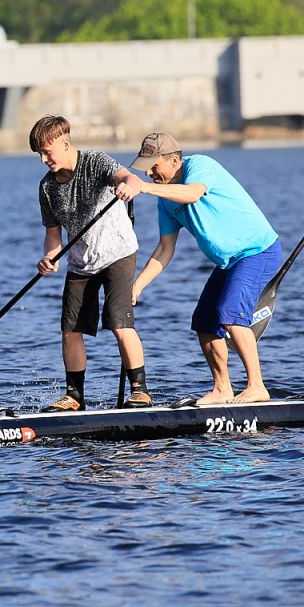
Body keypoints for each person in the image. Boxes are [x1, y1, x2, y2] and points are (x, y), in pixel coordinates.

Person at [118, 132, 282, 405]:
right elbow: (164, 249)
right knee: (204, 321)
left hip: (258, 251)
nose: (149, 172)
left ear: (174, 160)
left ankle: (257, 386)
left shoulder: (200, 166)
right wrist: (137, 285)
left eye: (154, 165)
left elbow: (192, 193)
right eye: (146, 166)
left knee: (230, 313)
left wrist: (144, 188)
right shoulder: (165, 200)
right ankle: (222, 389)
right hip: (228, 262)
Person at [30, 116, 151, 411]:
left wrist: (128, 186)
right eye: (40, 154)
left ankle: (140, 391)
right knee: (70, 329)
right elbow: (53, 236)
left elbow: (131, 179)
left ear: (65, 143)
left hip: (118, 253)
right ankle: (74, 396)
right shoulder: (47, 187)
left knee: (117, 322)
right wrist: (49, 258)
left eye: (48, 152)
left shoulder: (96, 162)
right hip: (81, 262)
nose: (45, 159)